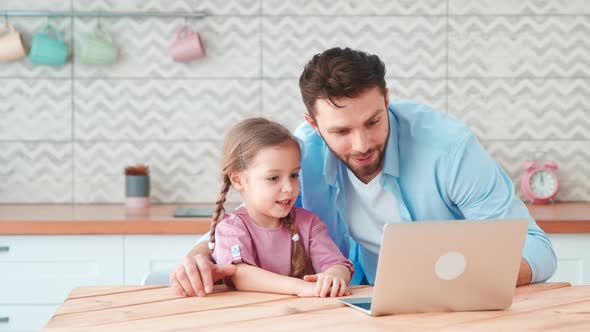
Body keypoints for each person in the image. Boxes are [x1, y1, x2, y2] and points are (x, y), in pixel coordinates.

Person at [170, 47, 557, 297]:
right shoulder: (302, 154)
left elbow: (537, 250)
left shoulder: (449, 149)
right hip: (352, 305)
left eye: (373, 121)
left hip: (454, 304)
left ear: (387, 100)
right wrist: (198, 253)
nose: (361, 144)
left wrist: (457, 282)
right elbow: (250, 219)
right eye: (340, 131)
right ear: (313, 124)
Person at [177, 117, 353, 298]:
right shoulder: (231, 228)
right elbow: (240, 274)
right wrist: (300, 288)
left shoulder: (309, 223)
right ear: (238, 180)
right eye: (273, 178)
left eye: (294, 175)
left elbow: (337, 263)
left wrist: (335, 275)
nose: (289, 188)